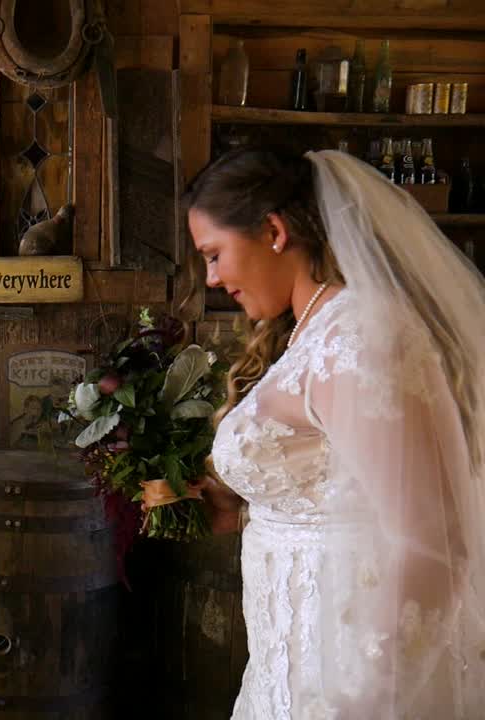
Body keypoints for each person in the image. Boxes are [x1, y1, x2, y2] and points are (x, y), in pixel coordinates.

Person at [186, 146, 485, 718]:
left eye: (214, 254)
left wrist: (367, 694)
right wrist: (241, 505)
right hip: (291, 657)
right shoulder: (312, 333)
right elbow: (338, 489)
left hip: (348, 666)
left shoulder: (356, 339)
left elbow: (433, 541)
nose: (213, 278)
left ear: (273, 231)